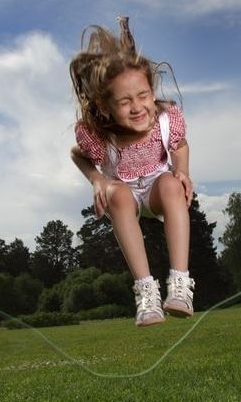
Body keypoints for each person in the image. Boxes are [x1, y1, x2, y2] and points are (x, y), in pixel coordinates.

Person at [69, 17, 195, 327]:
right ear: (103, 107)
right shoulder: (99, 137)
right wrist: (98, 179)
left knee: (170, 184)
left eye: (142, 96)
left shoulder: (167, 120)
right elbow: (77, 155)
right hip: (125, 195)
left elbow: (179, 145)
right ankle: (146, 293)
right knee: (119, 193)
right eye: (124, 102)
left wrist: (183, 171)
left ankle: (180, 284)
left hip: (156, 192)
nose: (137, 107)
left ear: (152, 92)